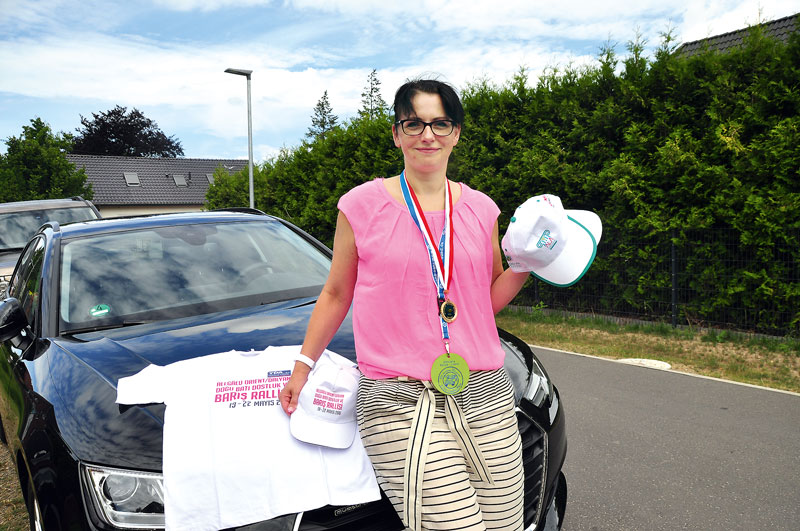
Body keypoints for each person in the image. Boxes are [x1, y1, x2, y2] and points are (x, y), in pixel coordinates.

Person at [280, 78, 530, 531]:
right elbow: (337, 292)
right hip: (398, 398)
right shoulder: (361, 206)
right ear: (397, 134)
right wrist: (303, 365)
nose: (427, 135)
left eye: (439, 123)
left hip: (485, 393)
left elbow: (482, 302)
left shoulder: (482, 209)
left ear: (456, 133)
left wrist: (527, 266)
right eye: (413, 123)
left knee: (506, 524)